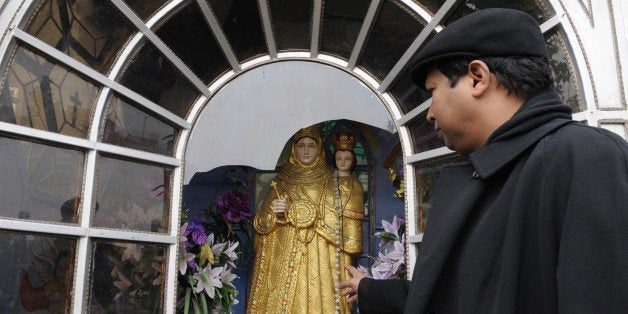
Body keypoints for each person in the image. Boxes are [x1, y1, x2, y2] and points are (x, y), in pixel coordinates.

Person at [337, 8, 628, 313]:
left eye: (433, 92)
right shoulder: (493, 175)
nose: (430, 113)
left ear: (477, 78)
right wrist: (371, 289)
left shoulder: (588, 160)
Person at [248, 124, 364, 313]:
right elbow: (262, 225)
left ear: (319, 149)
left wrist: (309, 218)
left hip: (320, 257)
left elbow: (343, 225)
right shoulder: (281, 181)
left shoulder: (331, 180)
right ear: (294, 149)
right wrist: (275, 214)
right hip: (286, 258)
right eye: (301, 146)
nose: (306, 151)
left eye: (311, 146)